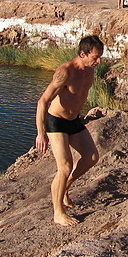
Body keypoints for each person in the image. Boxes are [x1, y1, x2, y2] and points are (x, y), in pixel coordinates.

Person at [35, 35, 104, 227]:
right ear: (83, 54)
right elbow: (42, 101)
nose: (99, 61)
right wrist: (41, 133)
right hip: (56, 121)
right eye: (95, 57)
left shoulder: (90, 71)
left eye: (100, 57)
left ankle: (64, 188)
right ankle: (58, 212)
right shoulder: (65, 72)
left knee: (91, 157)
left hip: (74, 120)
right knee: (64, 167)